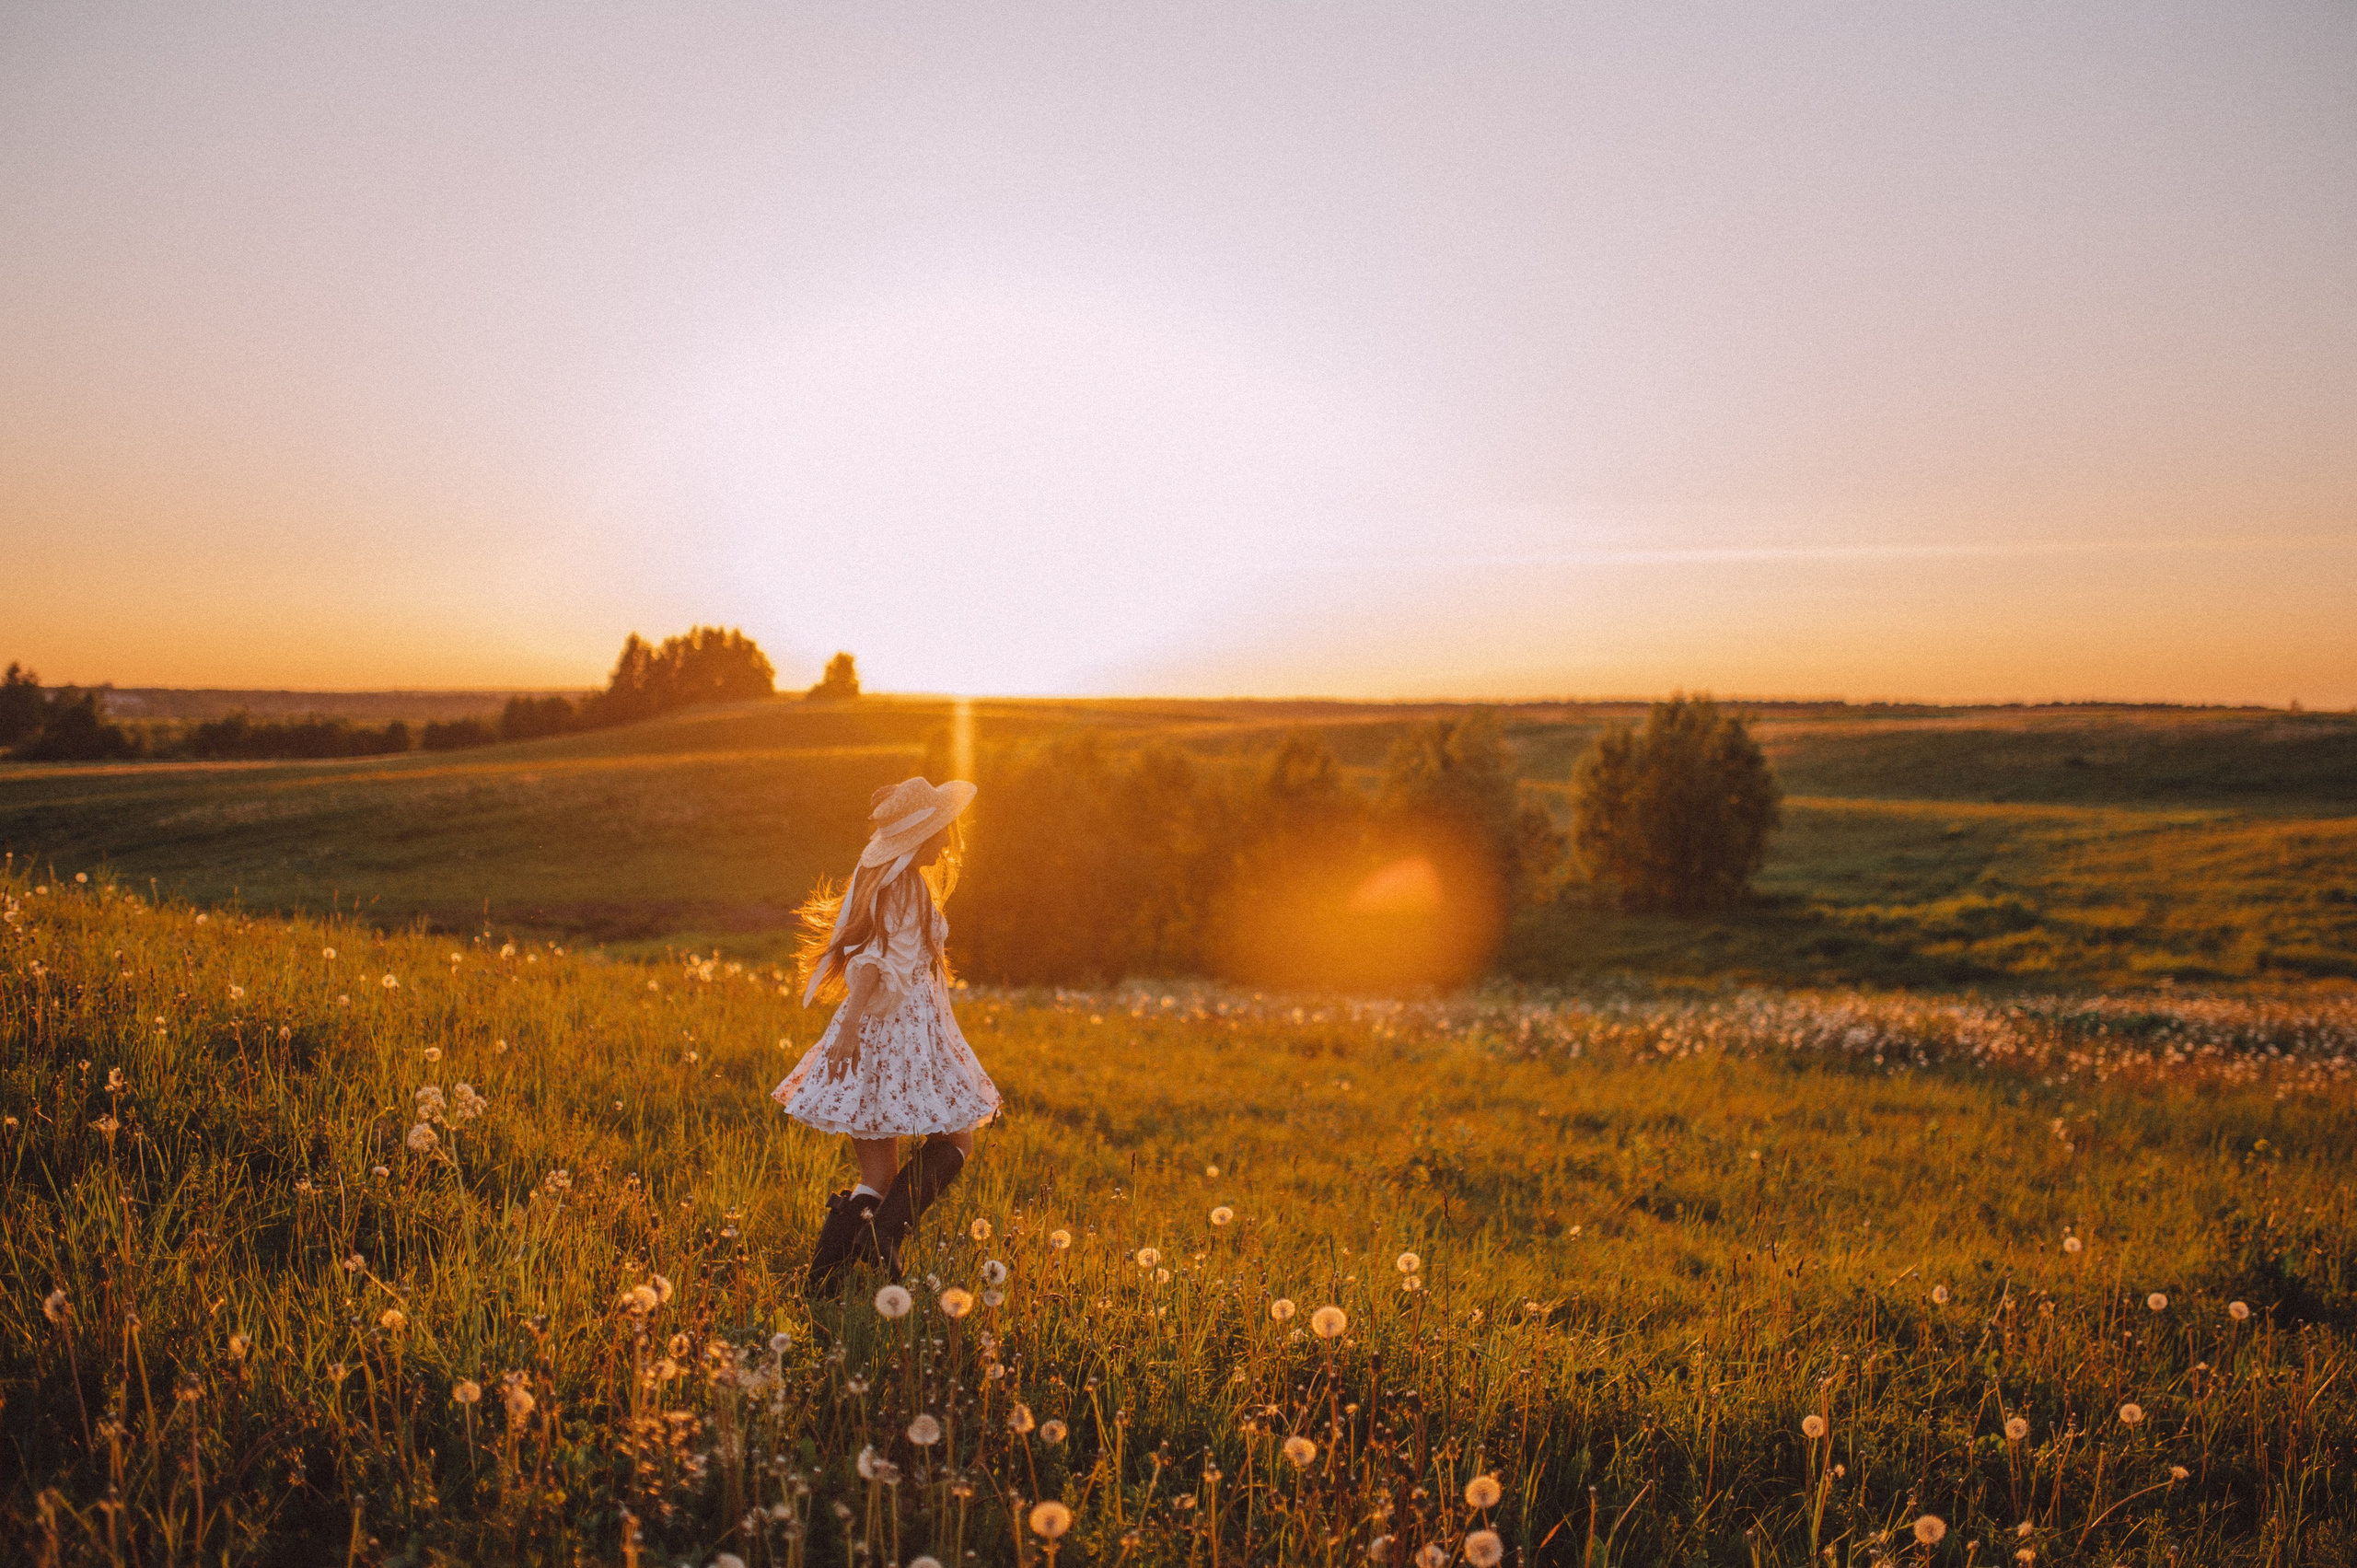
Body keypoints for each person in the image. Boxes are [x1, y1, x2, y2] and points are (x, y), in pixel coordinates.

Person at [774, 775, 999, 1293]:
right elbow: (875, 963)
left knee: (876, 1174)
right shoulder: (907, 887)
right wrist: (850, 1026)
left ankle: (820, 1287)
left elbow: (873, 957)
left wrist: (850, 1029)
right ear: (919, 837)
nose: (947, 839)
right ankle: (882, 1239)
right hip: (901, 1031)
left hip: (878, 1029)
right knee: (958, 1138)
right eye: (940, 830)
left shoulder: (884, 879)